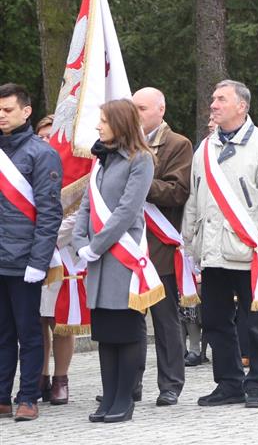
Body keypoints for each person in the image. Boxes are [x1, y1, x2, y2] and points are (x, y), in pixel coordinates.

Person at [183, 80, 258, 409]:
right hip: (213, 252)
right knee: (215, 321)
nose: (213, 104)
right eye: (213, 98)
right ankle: (228, 382)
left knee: (254, 323)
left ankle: (257, 383)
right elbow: (194, 200)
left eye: (221, 99)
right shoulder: (205, 148)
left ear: (241, 106)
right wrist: (190, 245)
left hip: (249, 253)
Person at [73, 99, 161, 423]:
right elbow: (86, 205)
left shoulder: (141, 160)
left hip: (123, 257)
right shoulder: (102, 160)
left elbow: (127, 210)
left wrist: (96, 245)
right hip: (98, 259)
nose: (99, 126)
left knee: (125, 330)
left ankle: (124, 398)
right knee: (105, 333)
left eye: (104, 120)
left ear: (121, 123)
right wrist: (81, 243)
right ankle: (108, 396)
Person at [0, 83, 64, 422]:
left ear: (26, 111)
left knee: (29, 333)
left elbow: (49, 213)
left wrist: (39, 262)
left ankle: (28, 397)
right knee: (2, 334)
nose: (1, 116)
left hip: (25, 261)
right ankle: (2, 398)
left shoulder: (42, 153)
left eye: (7, 110)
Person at [132, 86, 193, 407]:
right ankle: (129, 382)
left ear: (161, 109)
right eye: (133, 108)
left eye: (142, 108)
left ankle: (170, 384)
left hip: (160, 243)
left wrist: (138, 181)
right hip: (129, 244)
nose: (136, 114)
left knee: (165, 319)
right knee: (129, 318)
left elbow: (177, 192)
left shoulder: (177, 144)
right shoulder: (123, 143)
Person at [32, 115, 74, 405]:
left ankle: (61, 378)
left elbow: (79, 214)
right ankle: (40, 376)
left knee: (60, 320)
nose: (47, 141)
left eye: (52, 136)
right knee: (36, 320)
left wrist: (46, 235)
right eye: (42, 136)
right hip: (33, 253)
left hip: (64, 252)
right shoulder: (27, 166)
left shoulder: (74, 170)